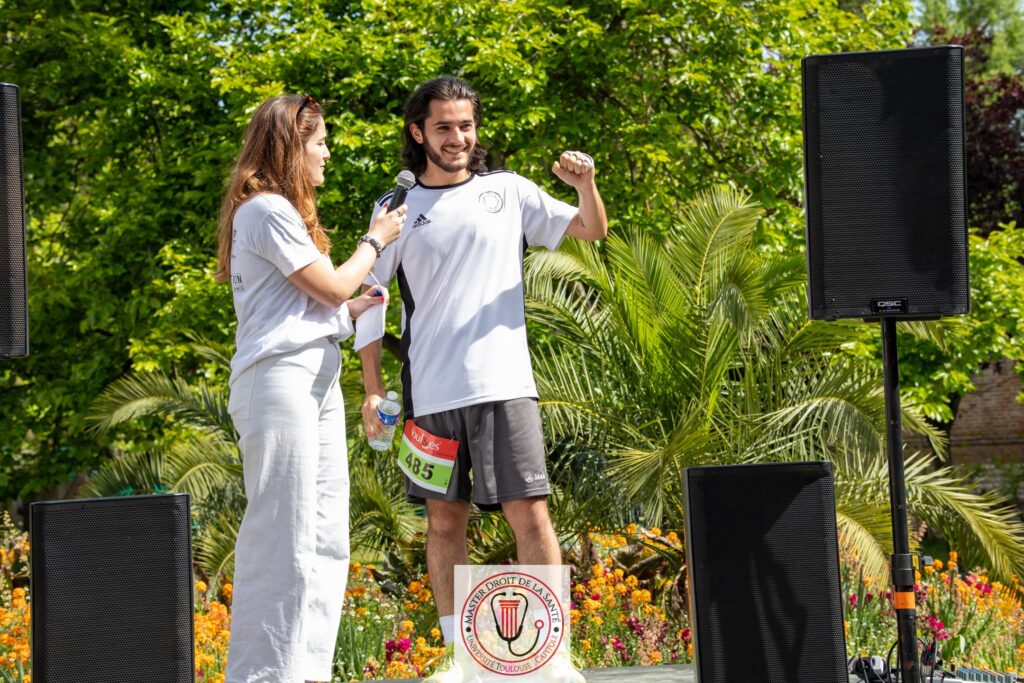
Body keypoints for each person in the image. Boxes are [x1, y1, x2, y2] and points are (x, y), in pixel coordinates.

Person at [358, 76, 608, 683]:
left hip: (505, 386)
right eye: (443, 126)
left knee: (531, 513)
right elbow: (369, 298)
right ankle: (460, 660)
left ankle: (551, 656)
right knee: (445, 523)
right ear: (418, 132)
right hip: (428, 393)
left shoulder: (509, 190)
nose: (457, 137)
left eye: (465, 125)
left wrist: (585, 185)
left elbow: (591, 229)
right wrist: (372, 388)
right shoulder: (395, 207)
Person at [214, 93, 407, 683]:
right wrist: (375, 239)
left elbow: (311, 306)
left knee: (324, 541)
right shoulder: (266, 209)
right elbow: (330, 286)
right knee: (283, 538)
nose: (327, 154)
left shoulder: (279, 214)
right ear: (289, 147)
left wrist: (352, 310)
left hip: (313, 379)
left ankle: (306, 673)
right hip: (280, 381)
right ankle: (262, 676)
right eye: (319, 143)